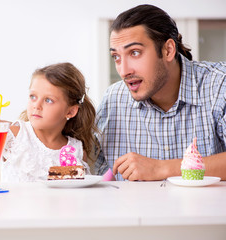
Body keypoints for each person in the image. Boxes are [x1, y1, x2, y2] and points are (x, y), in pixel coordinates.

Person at [95, 4, 226, 181]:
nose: (123, 70)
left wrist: (161, 168)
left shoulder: (218, 86)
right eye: (116, 57)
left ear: (168, 50)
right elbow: (95, 176)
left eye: (134, 53)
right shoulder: (112, 101)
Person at [0, 62, 98, 182]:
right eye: (33, 96)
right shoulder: (16, 136)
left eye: (48, 100)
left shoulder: (76, 150)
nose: (36, 105)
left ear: (70, 111)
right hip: (15, 217)